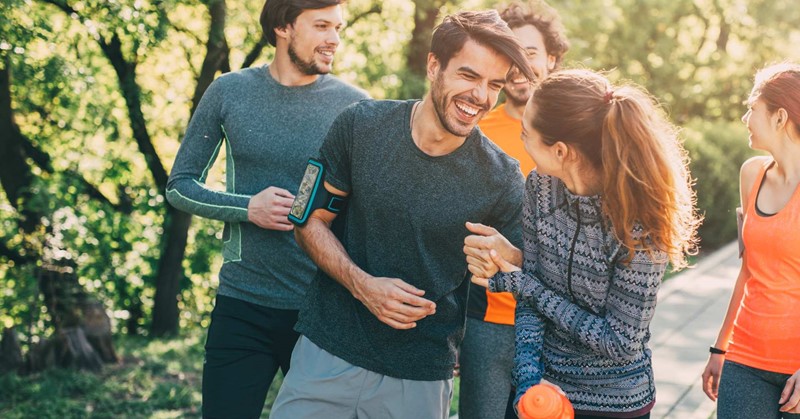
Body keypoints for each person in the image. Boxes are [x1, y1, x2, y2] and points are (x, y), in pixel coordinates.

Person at [269, 10, 535, 419]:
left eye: (493, 85)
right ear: (434, 66)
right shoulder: (361, 126)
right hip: (326, 354)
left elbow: (534, 270)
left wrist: (508, 257)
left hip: (420, 379)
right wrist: (362, 285)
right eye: (468, 76)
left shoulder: (502, 177)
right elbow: (308, 220)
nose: (481, 96)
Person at [165, 0, 368, 417]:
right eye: (322, 26)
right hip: (242, 306)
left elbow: (373, 211)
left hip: (322, 311)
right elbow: (179, 186)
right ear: (283, 27)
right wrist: (247, 208)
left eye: (339, 28)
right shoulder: (228, 91)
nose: (334, 39)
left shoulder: (356, 107)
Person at [465, 69, 700, 418]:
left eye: (526, 134)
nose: (521, 141)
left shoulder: (640, 223)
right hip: (543, 391)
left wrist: (525, 285)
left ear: (560, 151)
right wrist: (529, 381)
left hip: (615, 403)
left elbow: (620, 342)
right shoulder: (540, 188)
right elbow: (532, 297)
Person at [460, 2, 569, 418]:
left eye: (532, 53)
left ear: (552, 59)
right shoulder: (475, 128)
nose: (521, 66)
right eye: (512, 55)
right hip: (488, 319)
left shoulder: (578, 132)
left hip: (557, 324)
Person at [701, 63, 800, 418]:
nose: (745, 118)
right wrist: (720, 348)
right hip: (745, 360)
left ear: (779, 117)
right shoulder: (752, 173)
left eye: (752, 108)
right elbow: (748, 270)